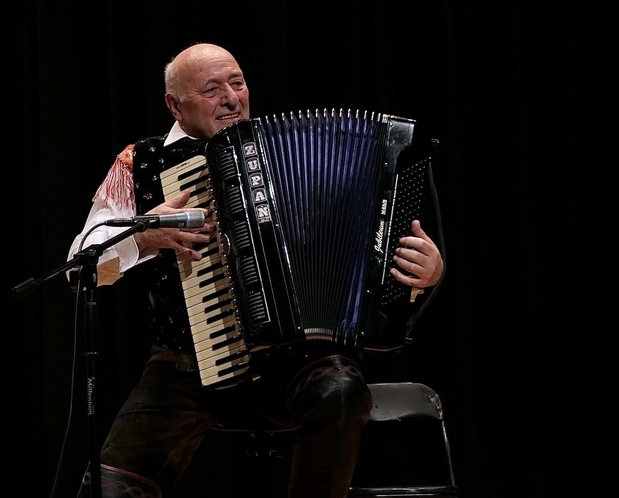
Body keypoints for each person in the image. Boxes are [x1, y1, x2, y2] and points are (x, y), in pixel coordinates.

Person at [66, 43, 445, 497]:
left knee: (341, 391)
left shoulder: (300, 149)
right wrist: (143, 238)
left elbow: (377, 248)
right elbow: (79, 267)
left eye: (238, 83)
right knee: (109, 489)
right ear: (175, 105)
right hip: (184, 367)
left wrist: (426, 273)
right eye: (211, 89)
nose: (231, 98)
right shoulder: (141, 162)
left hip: (293, 360)